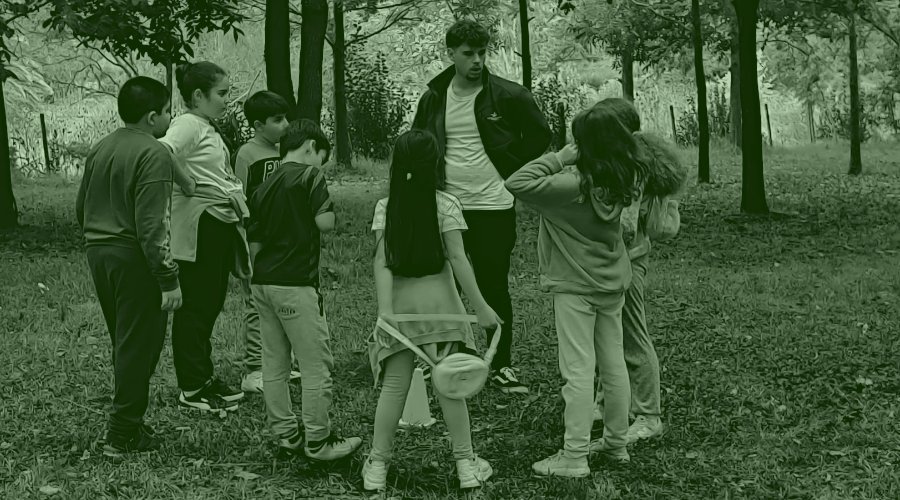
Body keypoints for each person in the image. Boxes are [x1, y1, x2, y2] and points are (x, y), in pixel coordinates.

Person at [505, 99, 652, 477]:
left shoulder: (569, 186)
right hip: (612, 282)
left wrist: (560, 157)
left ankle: (574, 456)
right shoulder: (626, 179)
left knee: (578, 370)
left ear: (583, 144)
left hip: (574, 287)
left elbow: (516, 182)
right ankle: (617, 445)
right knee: (613, 364)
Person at [411, 19, 551, 394]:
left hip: (493, 203)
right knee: (445, 285)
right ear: (451, 54)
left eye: (482, 53)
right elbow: (419, 143)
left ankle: (501, 364)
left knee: (492, 284)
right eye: (468, 54)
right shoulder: (434, 97)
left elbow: (541, 135)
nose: (476, 61)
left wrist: (510, 165)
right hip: (446, 205)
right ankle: (447, 359)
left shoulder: (509, 95)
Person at [361, 130, 498, 491]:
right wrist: (482, 307)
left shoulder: (385, 207)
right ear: (434, 163)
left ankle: (377, 466)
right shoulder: (447, 205)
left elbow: (382, 262)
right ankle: (466, 464)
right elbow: (458, 259)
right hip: (443, 310)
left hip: (402, 313)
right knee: (451, 387)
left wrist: (386, 310)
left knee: (394, 388)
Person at [76, 76, 180, 457]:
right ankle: (121, 435)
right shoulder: (154, 153)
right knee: (140, 344)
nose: (170, 118)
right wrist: (168, 278)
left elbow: (80, 206)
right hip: (134, 257)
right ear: (153, 116)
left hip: (99, 252)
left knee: (124, 338)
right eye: (168, 111)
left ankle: (130, 421)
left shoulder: (101, 147)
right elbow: (153, 225)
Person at [247, 119, 362, 461]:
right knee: (316, 365)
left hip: (263, 283)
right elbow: (325, 224)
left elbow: (254, 241)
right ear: (310, 147)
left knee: (274, 363)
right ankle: (318, 440)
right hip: (295, 284)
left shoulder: (262, 185)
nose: (320, 165)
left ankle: (286, 434)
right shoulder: (310, 176)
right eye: (320, 157)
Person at [591, 99, 686, 444]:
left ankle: (649, 414)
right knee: (605, 332)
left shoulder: (632, 167)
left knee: (631, 336)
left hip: (628, 259)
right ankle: (605, 402)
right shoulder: (622, 160)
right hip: (615, 260)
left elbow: (627, 228)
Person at [160, 61, 250, 412]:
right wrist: (185, 182)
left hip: (218, 221)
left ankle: (203, 375)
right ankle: (192, 386)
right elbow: (162, 151)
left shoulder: (204, 125)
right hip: (200, 225)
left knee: (210, 302)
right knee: (197, 305)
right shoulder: (186, 124)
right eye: (222, 93)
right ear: (198, 95)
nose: (227, 100)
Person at [233, 90, 300, 394]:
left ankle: (282, 364)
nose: (285, 124)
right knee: (256, 304)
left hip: (287, 241)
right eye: (277, 119)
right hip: (258, 241)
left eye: (286, 117)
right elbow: (239, 198)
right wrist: (246, 240)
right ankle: (254, 369)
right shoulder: (247, 154)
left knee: (286, 300)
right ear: (258, 125)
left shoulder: (286, 151)